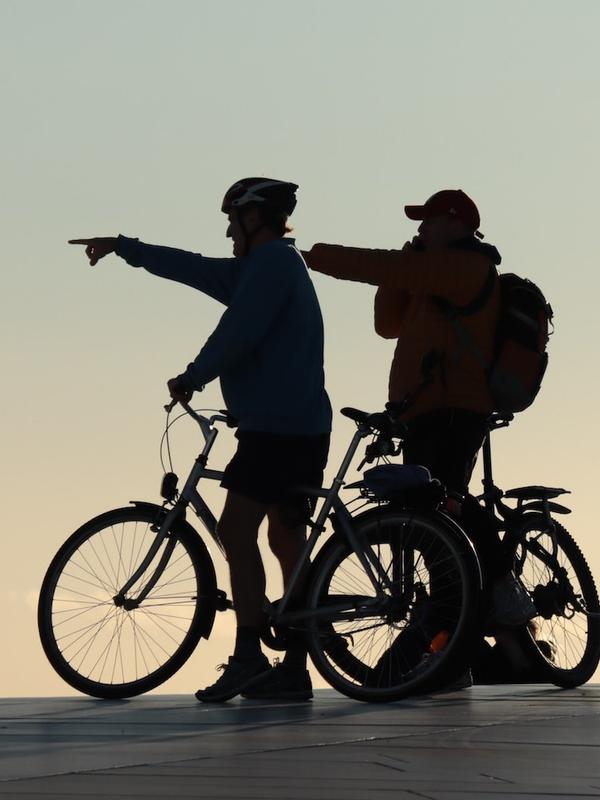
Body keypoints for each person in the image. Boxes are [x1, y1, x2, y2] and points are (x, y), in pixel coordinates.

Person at [69, 177, 332, 702]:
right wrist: (127, 249)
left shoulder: (273, 266)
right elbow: (192, 267)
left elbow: (241, 331)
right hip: (297, 424)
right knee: (285, 540)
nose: (229, 230)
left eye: (233, 220)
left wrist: (194, 375)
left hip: (277, 428)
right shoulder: (263, 268)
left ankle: (249, 657)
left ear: (255, 219)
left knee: (238, 532)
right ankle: (294, 668)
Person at [303, 189, 536, 631]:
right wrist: (404, 270)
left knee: (442, 509)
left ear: (455, 224)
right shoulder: (429, 273)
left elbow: (383, 266)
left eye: (428, 221)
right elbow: (386, 324)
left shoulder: (466, 267)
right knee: (428, 521)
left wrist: (315, 256)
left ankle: (499, 587)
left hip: (455, 409)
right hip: (421, 412)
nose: (420, 228)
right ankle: (453, 631)